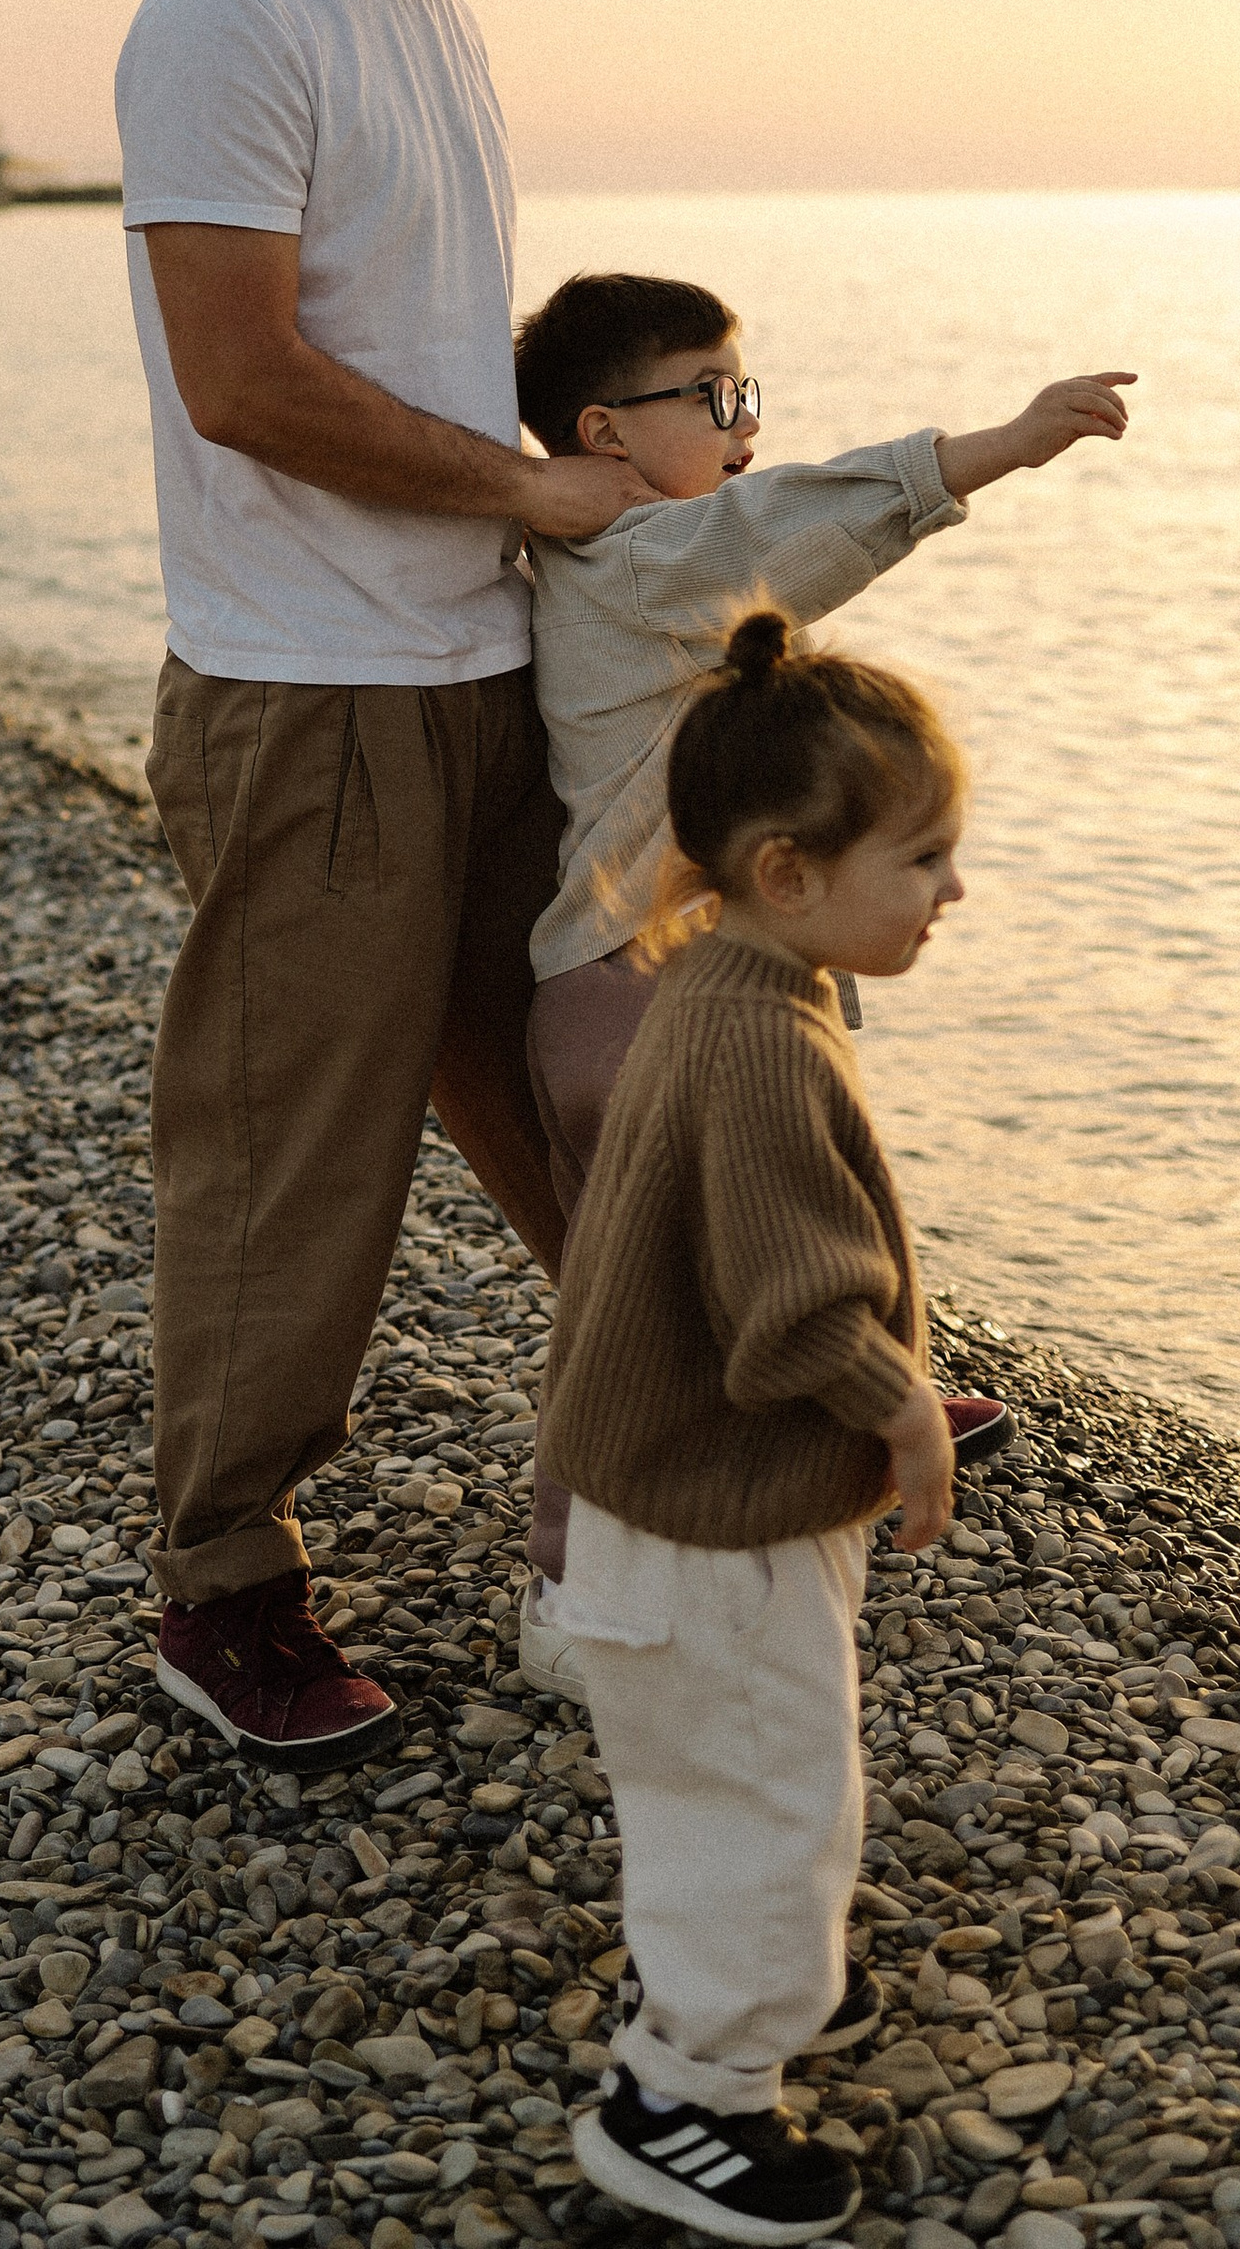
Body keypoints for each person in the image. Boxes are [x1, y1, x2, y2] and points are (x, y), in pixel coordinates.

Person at [113, 0, 642, 1769]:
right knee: (286, 1152)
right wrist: (522, 500)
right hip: (307, 686)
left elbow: (422, 336)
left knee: (569, 1051)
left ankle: (690, 1378)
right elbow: (241, 383)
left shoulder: (426, 9)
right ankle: (221, 1583)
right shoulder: (229, 12)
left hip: (474, 656)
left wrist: (601, 473)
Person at [512, 267, 1131, 1674]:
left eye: (748, 393)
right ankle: (576, 1591)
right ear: (604, 433)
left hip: (611, 998)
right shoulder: (642, 558)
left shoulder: (595, 564)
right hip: (654, 1003)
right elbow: (789, 523)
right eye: (714, 396)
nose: (743, 423)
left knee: (652, 1294)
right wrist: (998, 446)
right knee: (658, 1311)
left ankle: (804, 1436)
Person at [540, 612, 967, 2243]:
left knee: (711, 1782)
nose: (949, 891)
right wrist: (906, 1413)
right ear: (789, 873)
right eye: (921, 858)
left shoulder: (714, 981)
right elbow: (797, 1303)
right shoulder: (759, 1040)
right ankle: (687, 2103)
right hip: (717, 1525)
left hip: (662, 1506)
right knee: (774, 1795)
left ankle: (739, 1993)